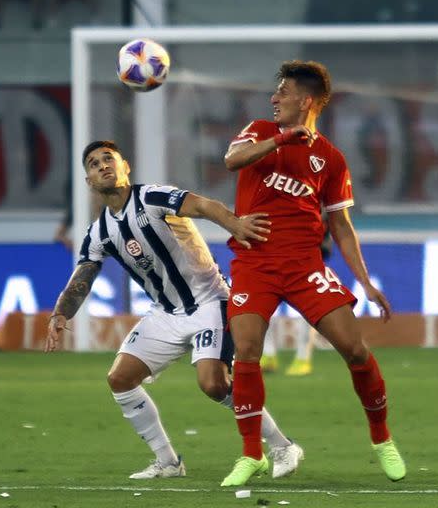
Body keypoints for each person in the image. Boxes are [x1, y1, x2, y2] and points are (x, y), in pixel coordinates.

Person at [45, 140, 303, 479]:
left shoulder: (152, 196)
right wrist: (61, 312)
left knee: (213, 384)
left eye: (109, 159)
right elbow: (84, 274)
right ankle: (168, 462)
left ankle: (283, 445)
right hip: (165, 313)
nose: (103, 166)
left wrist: (235, 225)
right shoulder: (99, 232)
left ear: (126, 167)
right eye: (93, 164)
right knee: (120, 378)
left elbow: (202, 205)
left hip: (210, 301)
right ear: (89, 181)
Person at [219, 60, 406, 487]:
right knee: (245, 352)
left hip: (306, 266)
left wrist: (366, 283)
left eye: (281, 92)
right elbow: (232, 160)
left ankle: (382, 439)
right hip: (254, 263)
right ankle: (251, 455)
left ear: (304, 101)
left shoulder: (332, 159)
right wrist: (280, 139)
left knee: (355, 349)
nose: (273, 99)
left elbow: (341, 225)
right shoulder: (261, 132)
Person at [260, 224, 333, 376]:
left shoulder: (313, 202)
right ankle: (268, 354)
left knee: (309, 308)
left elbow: (323, 224)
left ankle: (303, 358)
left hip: (306, 258)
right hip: (272, 254)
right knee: (263, 304)